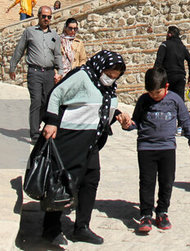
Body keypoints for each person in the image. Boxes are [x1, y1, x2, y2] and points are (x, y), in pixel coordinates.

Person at [39, 50, 130, 247]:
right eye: (110, 73)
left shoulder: (107, 86)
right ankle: (51, 228)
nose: (112, 78)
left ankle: (82, 227)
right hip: (71, 138)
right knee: (62, 182)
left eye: (116, 76)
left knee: (90, 180)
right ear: (101, 67)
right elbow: (56, 94)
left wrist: (118, 116)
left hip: (91, 141)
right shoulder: (82, 76)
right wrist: (52, 122)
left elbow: (100, 107)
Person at [121, 67, 190, 234]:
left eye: (158, 92)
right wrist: (127, 125)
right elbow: (136, 123)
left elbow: (185, 120)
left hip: (167, 148)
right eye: (151, 92)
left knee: (166, 181)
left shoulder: (175, 100)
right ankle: (146, 214)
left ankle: (162, 212)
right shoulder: (143, 100)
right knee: (147, 182)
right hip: (146, 148)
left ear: (167, 86)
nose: (154, 96)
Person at [9, 6, 63, 142]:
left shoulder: (54, 36)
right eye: (44, 16)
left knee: (46, 101)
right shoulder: (30, 32)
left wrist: (60, 71)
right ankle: (34, 133)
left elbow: (57, 55)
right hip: (35, 72)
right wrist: (12, 67)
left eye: (49, 17)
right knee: (36, 100)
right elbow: (19, 49)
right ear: (38, 16)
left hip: (49, 73)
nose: (46, 19)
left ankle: (39, 125)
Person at [153, 26, 190, 103]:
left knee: (166, 100)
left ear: (169, 34)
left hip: (168, 77)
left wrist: (155, 76)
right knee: (179, 101)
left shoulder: (164, 45)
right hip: (180, 77)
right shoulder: (182, 47)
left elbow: (158, 62)